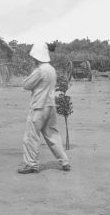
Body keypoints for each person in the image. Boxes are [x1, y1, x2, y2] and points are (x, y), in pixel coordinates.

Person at [18, 42, 71, 174]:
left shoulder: (40, 70)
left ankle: (31, 165)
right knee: (53, 136)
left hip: (39, 107)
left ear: (37, 56)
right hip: (50, 106)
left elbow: (26, 85)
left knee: (31, 137)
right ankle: (65, 162)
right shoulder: (51, 69)